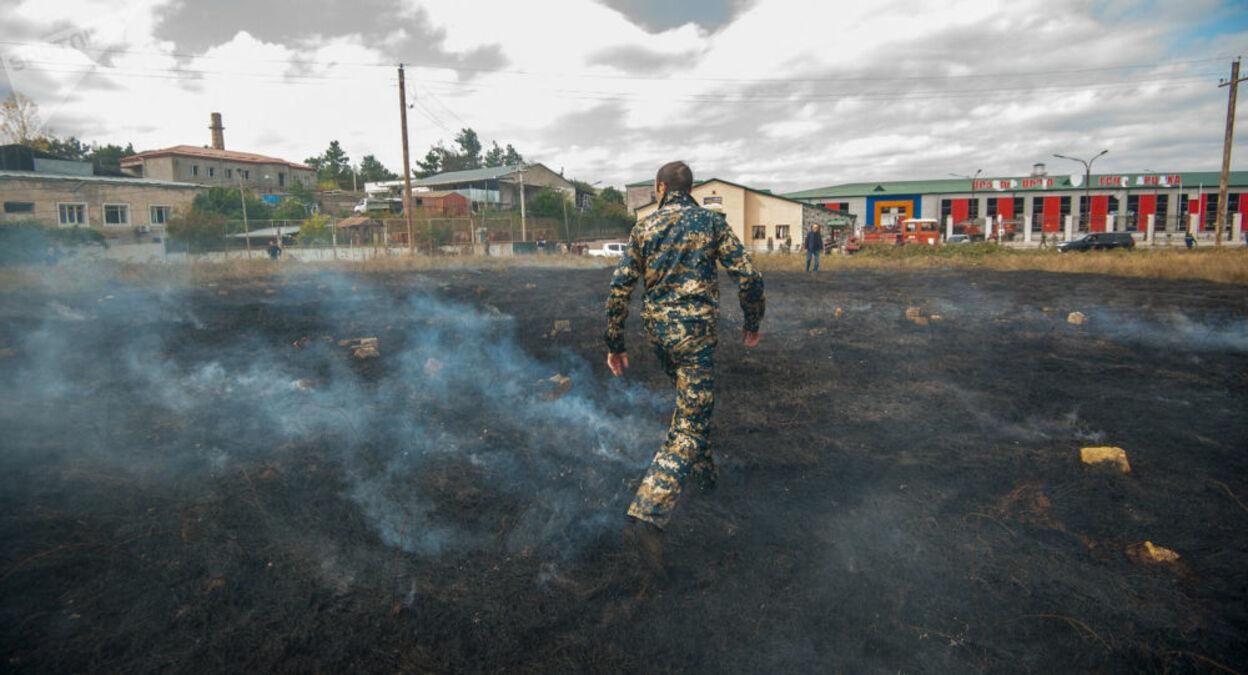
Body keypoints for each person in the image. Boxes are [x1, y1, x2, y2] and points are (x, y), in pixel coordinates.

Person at [605, 160, 764, 576]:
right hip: (694, 339)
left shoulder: (644, 228)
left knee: (694, 404)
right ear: (687, 188)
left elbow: (620, 288)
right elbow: (748, 275)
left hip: (659, 337)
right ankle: (648, 510)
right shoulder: (711, 223)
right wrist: (752, 321)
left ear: (660, 189)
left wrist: (615, 343)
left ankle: (706, 483)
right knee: (691, 422)